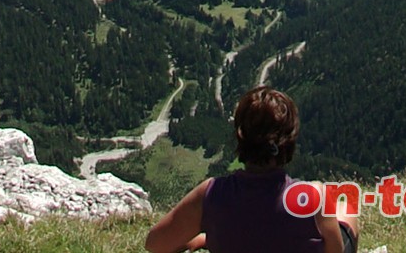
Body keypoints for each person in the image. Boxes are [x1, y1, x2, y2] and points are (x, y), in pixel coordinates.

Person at [145, 87, 358, 253]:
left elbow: (155, 244)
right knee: (346, 209)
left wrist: (205, 237)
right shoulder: (314, 197)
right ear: (288, 141)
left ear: (240, 138)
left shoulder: (211, 195)